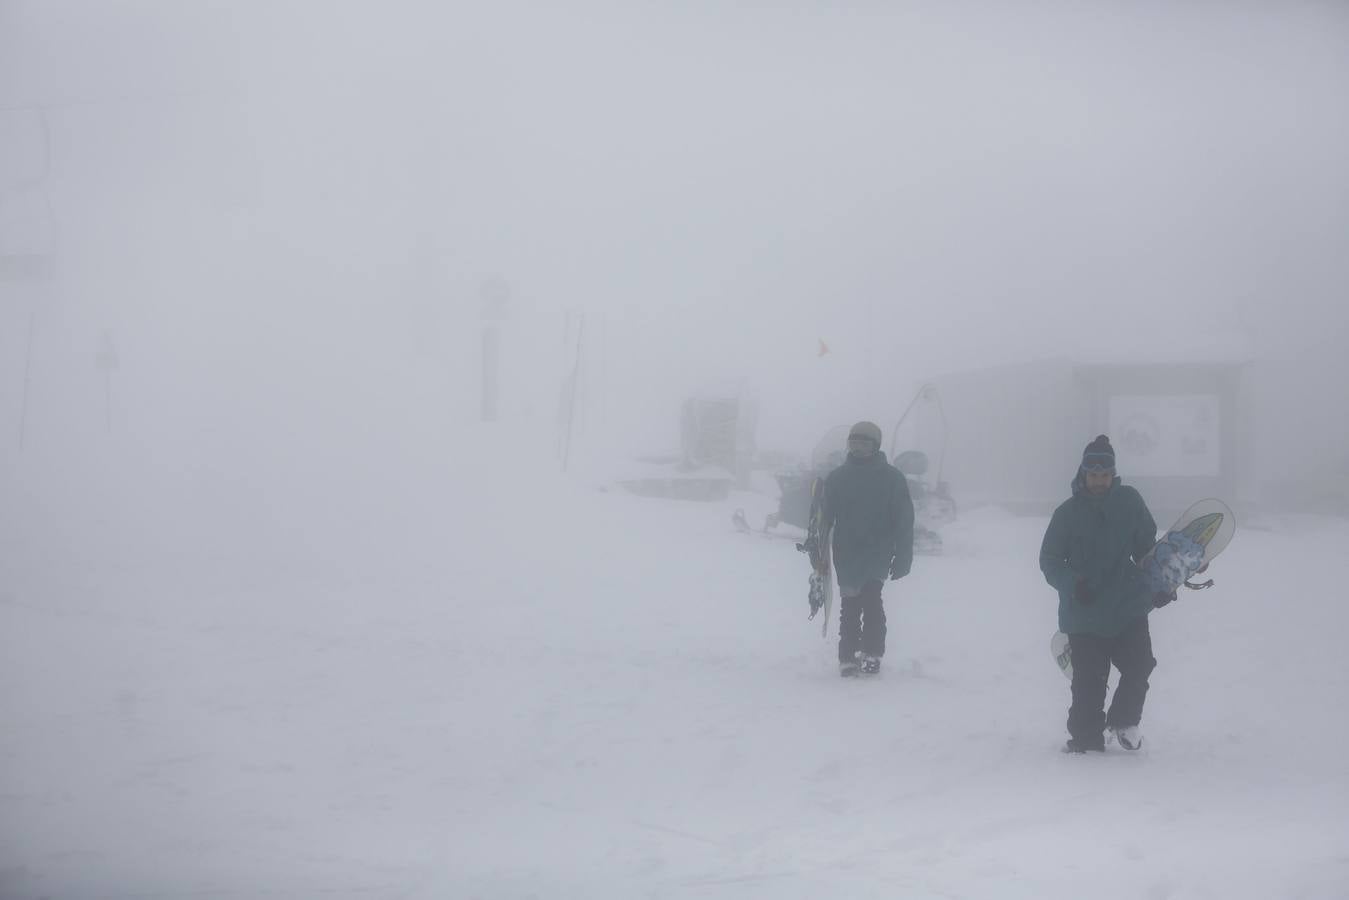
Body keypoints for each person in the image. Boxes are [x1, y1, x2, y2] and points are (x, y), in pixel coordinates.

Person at [1039, 435, 1174, 752]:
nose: (1099, 480)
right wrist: (1074, 584)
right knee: (1089, 682)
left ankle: (1124, 721)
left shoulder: (1130, 502)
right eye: (1093, 474)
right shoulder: (1066, 514)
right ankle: (1085, 740)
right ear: (1083, 474)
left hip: (1128, 607)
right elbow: (1050, 560)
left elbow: (1146, 549)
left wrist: (1160, 585)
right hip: (1084, 613)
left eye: (1104, 474)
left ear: (1113, 474)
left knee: (1140, 666)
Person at [822, 421, 915, 677]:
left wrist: (903, 557)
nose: (858, 448)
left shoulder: (891, 479)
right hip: (847, 553)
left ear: (875, 445)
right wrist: (817, 552)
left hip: (877, 552)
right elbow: (824, 518)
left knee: (872, 602)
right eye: (854, 443)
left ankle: (873, 653)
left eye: (864, 443)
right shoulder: (838, 478)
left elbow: (904, 520)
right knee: (850, 606)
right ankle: (848, 657)